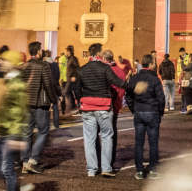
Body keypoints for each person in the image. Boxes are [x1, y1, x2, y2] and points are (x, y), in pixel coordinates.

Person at [0, 49, 33, 191]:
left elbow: (22, 112)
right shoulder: (7, 81)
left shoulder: (17, 84)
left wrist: (19, 138)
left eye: (4, 60)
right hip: (3, 131)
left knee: (7, 169)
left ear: (12, 63)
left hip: (12, 133)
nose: (1, 62)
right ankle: (16, 190)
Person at [75, 43, 127, 177]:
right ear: (99, 54)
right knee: (106, 136)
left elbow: (76, 89)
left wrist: (81, 100)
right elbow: (118, 82)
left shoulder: (82, 69)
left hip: (87, 107)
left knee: (89, 139)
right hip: (104, 106)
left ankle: (91, 169)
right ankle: (106, 168)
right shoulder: (105, 68)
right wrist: (132, 86)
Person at [20, 41, 59, 174]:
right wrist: (54, 100)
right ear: (38, 51)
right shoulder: (44, 66)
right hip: (40, 103)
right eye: (41, 49)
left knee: (26, 132)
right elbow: (49, 84)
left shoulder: (23, 66)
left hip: (26, 103)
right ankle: (33, 160)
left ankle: (25, 162)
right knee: (43, 131)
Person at [126, 53, 165, 179]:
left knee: (139, 142)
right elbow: (161, 98)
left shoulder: (135, 78)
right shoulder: (155, 79)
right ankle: (153, 169)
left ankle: (140, 170)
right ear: (151, 64)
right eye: (154, 62)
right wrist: (160, 112)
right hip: (152, 112)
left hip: (139, 112)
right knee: (153, 142)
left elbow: (128, 96)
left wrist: (133, 109)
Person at [43, 50, 62, 129]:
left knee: (46, 107)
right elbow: (58, 75)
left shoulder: (43, 64)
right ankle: (56, 124)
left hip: (46, 87)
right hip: (54, 86)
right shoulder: (55, 64)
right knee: (55, 106)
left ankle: (46, 124)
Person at [62, 45, 81, 116]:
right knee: (69, 92)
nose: (65, 53)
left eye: (66, 51)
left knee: (69, 92)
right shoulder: (69, 59)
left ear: (69, 51)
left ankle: (76, 107)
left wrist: (74, 76)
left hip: (72, 79)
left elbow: (77, 68)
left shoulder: (73, 58)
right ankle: (75, 107)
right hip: (69, 79)